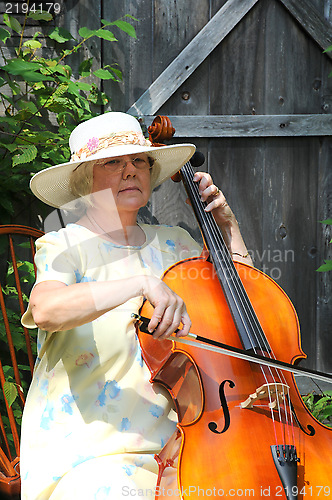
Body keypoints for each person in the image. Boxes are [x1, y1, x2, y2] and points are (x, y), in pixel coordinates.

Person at [20, 112, 252, 499]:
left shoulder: (175, 243)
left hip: (180, 443)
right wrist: (141, 284)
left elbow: (243, 305)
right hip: (92, 450)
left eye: (139, 161)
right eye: (113, 163)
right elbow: (46, 309)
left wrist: (229, 227)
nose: (130, 171)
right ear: (84, 182)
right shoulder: (65, 245)